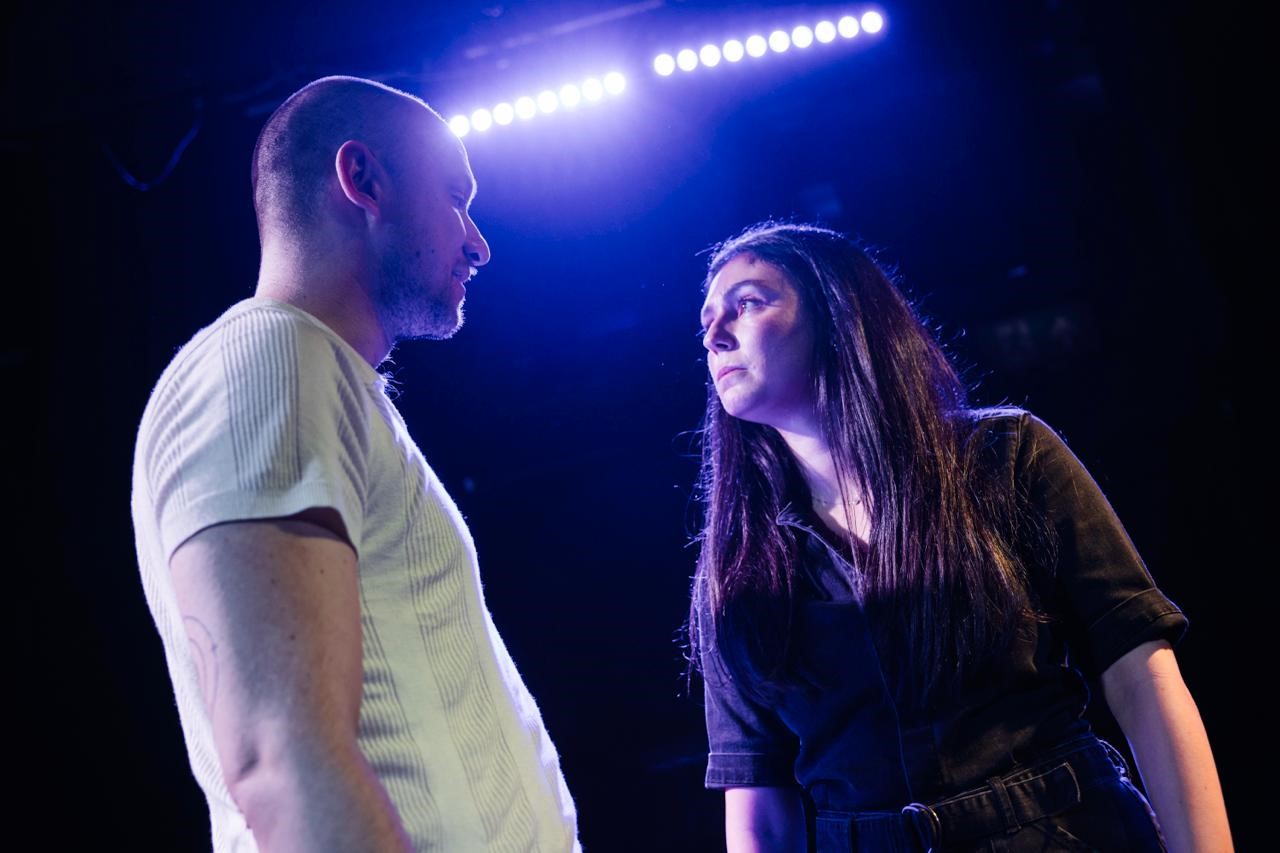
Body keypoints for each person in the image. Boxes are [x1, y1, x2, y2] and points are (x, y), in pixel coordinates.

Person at [130, 76, 579, 852]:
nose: (478, 243)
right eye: (455, 198)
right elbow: (280, 759)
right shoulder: (267, 355)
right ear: (362, 179)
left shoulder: (319, 378)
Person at [688, 222, 1232, 852]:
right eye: (707, 319)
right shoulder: (738, 567)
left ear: (837, 313)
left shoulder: (1008, 456)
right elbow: (756, 804)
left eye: (748, 303)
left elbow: (1142, 676)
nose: (714, 334)